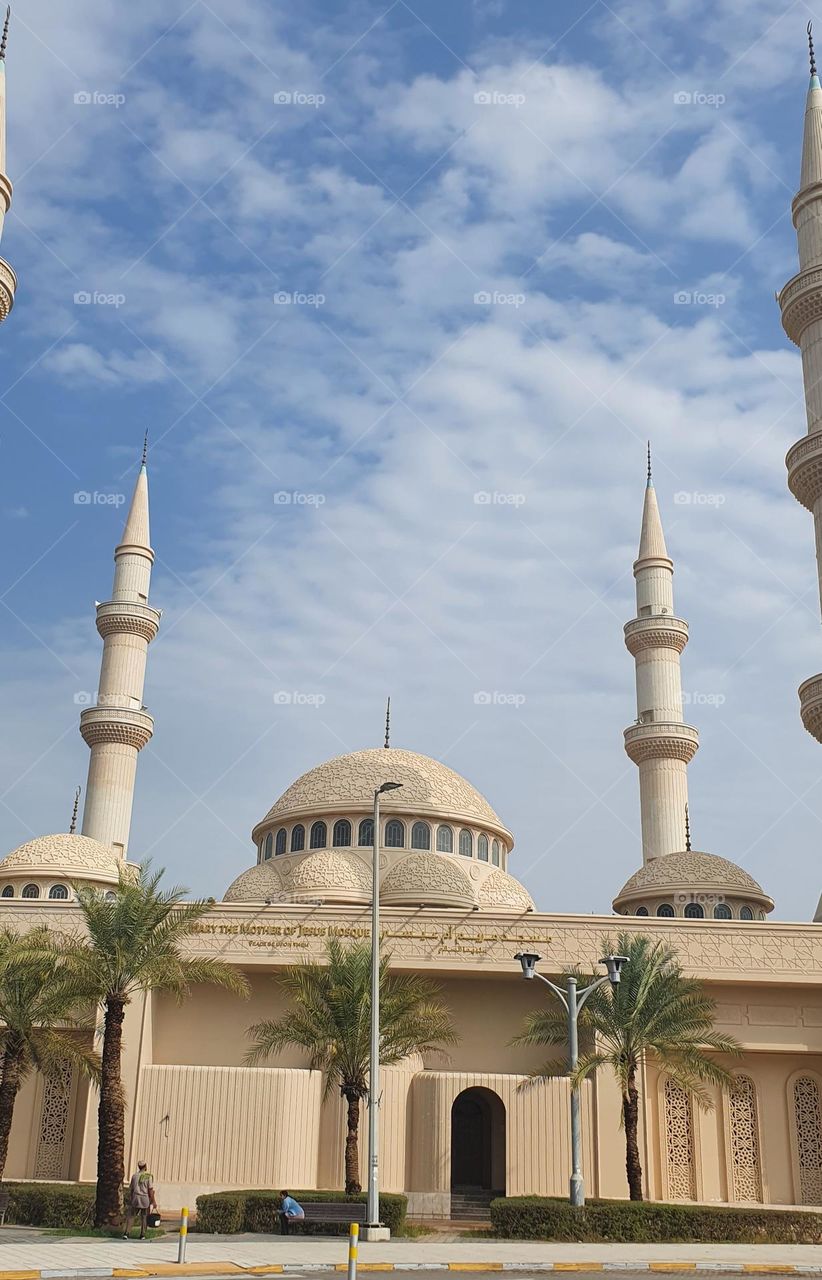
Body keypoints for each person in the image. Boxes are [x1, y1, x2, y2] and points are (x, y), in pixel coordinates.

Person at [123, 1160, 157, 1239]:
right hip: (144, 1198)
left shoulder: (134, 1176)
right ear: (145, 1166)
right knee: (144, 1216)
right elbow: (150, 1190)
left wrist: (131, 1198)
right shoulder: (148, 1176)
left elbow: (131, 1189)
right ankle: (142, 1234)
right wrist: (153, 1201)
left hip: (135, 1197)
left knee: (131, 1216)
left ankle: (126, 1233)